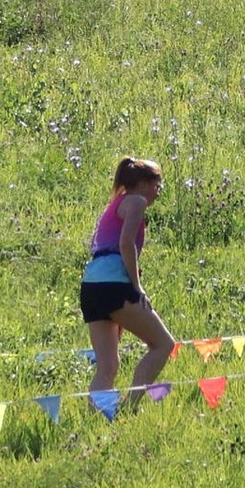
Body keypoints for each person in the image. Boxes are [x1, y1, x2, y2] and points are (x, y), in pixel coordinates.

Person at [81, 156, 175, 408]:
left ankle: (97, 417)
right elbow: (125, 244)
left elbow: (97, 246)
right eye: (157, 185)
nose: (158, 192)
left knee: (108, 367)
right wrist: (136, 286)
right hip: (115, 286)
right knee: (164, 344)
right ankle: (130, 405)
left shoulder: (114, 205)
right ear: (143, 184)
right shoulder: (136, 201)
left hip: (91, 287)